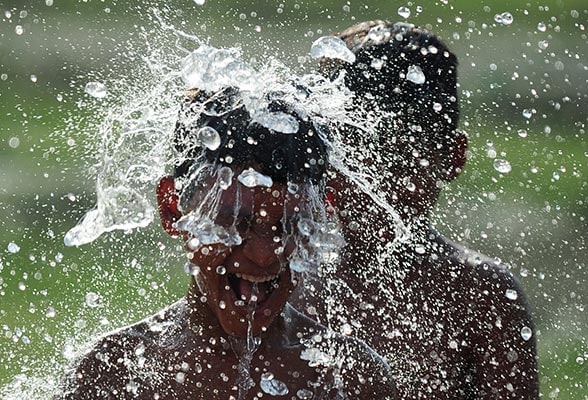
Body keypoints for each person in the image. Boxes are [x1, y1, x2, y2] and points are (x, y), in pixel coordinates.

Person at [55, 87, 396, 399]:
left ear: (323, 213)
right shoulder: (114, 374)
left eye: (290, 225)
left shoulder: (350, 377)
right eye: (235, 223)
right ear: (174, 210)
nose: (265, 255)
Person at [294, 21, 540, 398]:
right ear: (322, 158)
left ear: (452, 159)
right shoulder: (281, 279)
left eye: (398, 155)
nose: (372, 180)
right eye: (352, 154)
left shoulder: (479, 295)